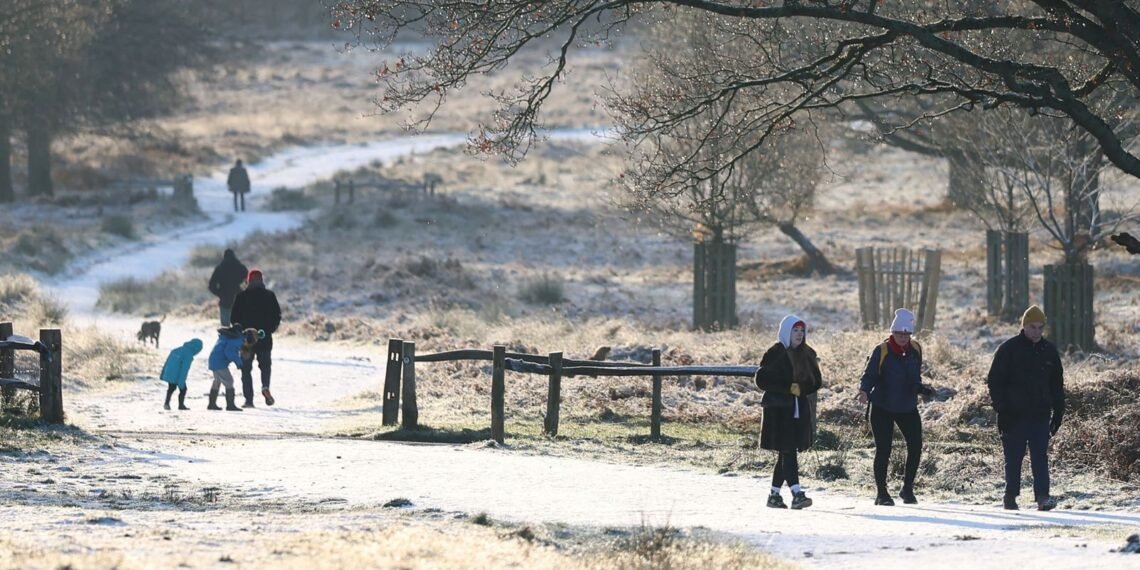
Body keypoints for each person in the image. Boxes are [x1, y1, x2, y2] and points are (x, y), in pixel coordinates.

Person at [987, 305, 1065, 511]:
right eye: (1033, 327)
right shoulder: (1008, 350)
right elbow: (995, 381)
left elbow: (1057, 385)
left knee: (1040, 457)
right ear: (1024, 326)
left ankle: (1042, 497)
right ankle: (1010, 496)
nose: (1037, 332)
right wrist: (1001, 409)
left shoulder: (1049, 351)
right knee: (1013, 458)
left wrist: (1058, 414)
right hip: (1013, 415)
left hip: (1040, 414)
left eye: (1041, 328)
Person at [858, 308, 926, 506]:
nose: (903, 337)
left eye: (906, 334)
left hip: (907, 406)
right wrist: (863, 391)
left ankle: (907, 489)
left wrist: (921, 388)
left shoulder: (916, 350)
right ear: (893, 333)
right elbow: (869, 374)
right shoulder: (882, 350)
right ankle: (882, 493)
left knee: (915, 446)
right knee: (883, 450)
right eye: (899, 334)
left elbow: (914, 376)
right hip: (882, 406)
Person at [754, 314, 823, 510]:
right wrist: (787, 388)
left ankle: (774, 496)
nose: (799, 334)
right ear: (786, 332)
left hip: (798, 410)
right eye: (795, 330)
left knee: (786, 454)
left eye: (802, 331)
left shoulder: (807, 353)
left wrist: (802, 388)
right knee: (788, 451)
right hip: (778, 411)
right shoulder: (775, 353)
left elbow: (817, 381)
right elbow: (762, 380)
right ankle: (797, 494)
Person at [230, 268, 281, 408]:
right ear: (262, 280)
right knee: (265, 366)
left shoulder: (241, 297)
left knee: (246, 369)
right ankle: (265, 387)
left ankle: (249, 400)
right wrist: (268, 330)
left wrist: (240, 331)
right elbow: (277, 316)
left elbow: (234, 318)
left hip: (246, 339)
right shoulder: (270, 296)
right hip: (264, 338)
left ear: (248, 280)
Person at [207, 323, 253, 412]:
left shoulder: (226, 337)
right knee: (229, 381)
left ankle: (211, 404)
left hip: (213, 360)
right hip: (219, 363)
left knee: (217, 381)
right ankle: (230, 405)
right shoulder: (236, 340)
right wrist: (239, 363)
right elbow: (229, 352)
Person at [160, 338, 203, 411]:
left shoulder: (176, 350)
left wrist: (162, 374)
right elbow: (184, 370)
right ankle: (181, 405)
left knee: (171, 388)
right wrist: (181, 382)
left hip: (169, 372)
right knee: (183, 389)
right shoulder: (188, 354)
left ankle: (166, 403)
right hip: (176, 374)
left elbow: (167, 362)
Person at [208, 249, 249, 326]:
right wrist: (243, 292)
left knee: (225, 328)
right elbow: (248, 281)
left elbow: (211, 285)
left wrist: (219, 293)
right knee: (239, 326)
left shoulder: (220, 268)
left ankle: (226, 337)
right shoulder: (241, 267)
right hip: (238, 298)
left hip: (225, 299)